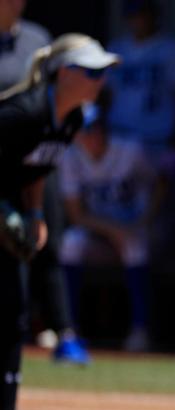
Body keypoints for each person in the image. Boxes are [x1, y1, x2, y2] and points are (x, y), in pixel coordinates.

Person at [0, 34, 118, 410]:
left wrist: (33, 213)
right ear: (64, 73)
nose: (100, 79)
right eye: (91, 71)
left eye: (103, 72)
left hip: (9, 212)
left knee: (13, 314)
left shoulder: (69, 119)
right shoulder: (23, 113)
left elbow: (36, 169)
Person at [0, 0, 90, 366]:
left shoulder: (36, 39)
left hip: (32, 158)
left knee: (43, 241)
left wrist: (32, 208)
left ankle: (62, 331)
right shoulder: (23, 110)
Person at [58, 95, 159, 352]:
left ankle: (140, 329)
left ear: (105, 127)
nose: (92, 136)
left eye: (96, 128)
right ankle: (69, 329)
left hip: (131, 224)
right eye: (85, 130)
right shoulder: (70, 156)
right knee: (71, 243)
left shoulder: (130, 150)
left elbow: (161, 183)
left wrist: (143, 220)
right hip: (98, 230)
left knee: (135, 244)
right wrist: (112, 230)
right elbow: (76, 215)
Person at [106, 0, 175, 160]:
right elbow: (105, 94)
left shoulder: (172, 50)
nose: (138, 20)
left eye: (142, 14)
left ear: (154, 15)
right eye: (133, 15)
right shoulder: (116, 49)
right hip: (120, 137)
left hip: (157, 139)